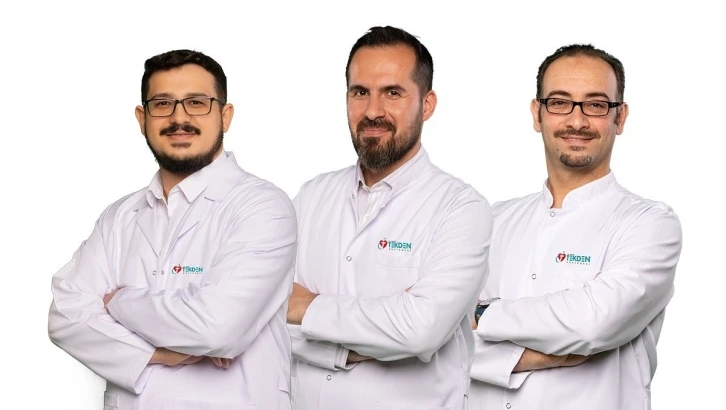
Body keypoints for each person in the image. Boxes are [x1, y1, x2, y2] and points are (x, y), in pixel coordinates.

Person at [48, 49, 297, 410]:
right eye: (163, 104)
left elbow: (216, 327)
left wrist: (117, 302)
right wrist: (154, 354)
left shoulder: (262, 206)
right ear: (142, 118)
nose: (179, 118)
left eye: (196, 102)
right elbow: (64, 314)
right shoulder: (120, 216)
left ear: (225, 116)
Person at [286, 26, 493, 410]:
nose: (372, 111)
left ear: (427, 105)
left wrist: (305, 307)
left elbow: (421, 330)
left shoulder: (461, 208)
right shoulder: (311, 197)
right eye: (360, 92)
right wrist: (374, 335)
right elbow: (262, 323)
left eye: (392, 93)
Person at [468, 44, 682, 410]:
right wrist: (526, 358)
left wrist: (481, 314)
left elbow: (593, 321)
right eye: (560, 102)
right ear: (537, 114)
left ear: (620, 117)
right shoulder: (491, 221)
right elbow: (436, 338)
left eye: (596, 105)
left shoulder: (650, 224)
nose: (577, 121)